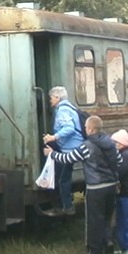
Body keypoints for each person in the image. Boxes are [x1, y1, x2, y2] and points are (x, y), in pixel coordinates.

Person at [47, 114, 120, 254]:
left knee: (94, 221)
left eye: (86, 127)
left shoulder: (86, 146)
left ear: (91, 129)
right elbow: (119, 160)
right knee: (107, 218)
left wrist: (52, 154)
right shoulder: (110, 143)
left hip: (95, 188)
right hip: (111, 186)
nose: (85, 129)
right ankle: (108, 245)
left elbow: (68, 158)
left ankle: (94, 253)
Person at [41, 86, 84, 214]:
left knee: (62, 179)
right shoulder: (69, 107)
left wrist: (54, 137)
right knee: (64, 177)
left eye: (51, 98)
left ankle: (66, 207)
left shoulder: (62, 110)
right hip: (71, 146)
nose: (50, 100)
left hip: (69, 149)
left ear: (57, 97)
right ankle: (65, 206)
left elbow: (69, 128)